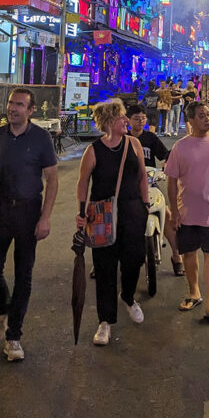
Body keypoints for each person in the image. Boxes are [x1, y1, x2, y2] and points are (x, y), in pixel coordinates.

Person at [0, 87, 58, 362]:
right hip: (1, 210)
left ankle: (14, 337)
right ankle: (4, 308)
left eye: (19, 105)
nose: (12, 108)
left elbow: (52, 179)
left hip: (28, 212)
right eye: (11, 103)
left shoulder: (40, 138)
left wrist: (46, 217)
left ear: (31, 110)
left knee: (23, 274)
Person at [77, 99, 149, 347]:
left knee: (136, 257)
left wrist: (145, 204)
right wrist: (81, 210)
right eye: (121, 117)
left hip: (132, 210)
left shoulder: (134, 144)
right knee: (105, 266)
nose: (126, 121)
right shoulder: (94, 150)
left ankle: (128, 296)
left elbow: (142, 176)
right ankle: (105, 321)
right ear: (109, 121)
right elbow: (83, 182)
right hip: (102, 213)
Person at [165, 101, 209, 326]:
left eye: (208, 115)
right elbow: (172, 181)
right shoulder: (180, 147)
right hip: (186, 212)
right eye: (202, 116)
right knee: (189, 254)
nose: (207, 119)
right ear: (191, 121)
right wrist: (174, 212)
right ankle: (194, 292)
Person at [126, 106, 184, 274]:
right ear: (128, 120)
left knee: (166, 214)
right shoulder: (123, 139)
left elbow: (165, 156)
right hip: (127, 187)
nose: (141, 121)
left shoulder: (150, 138)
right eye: (137, 118)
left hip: (150, 183)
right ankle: (102, 260)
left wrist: (167, 165)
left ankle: (176, 256)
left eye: (143, 118)